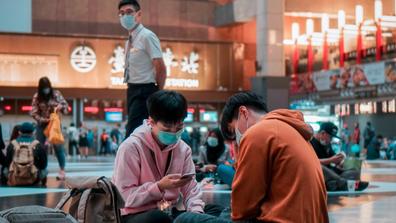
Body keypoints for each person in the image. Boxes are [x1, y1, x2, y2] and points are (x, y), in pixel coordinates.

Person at [112, 90, 223, 223]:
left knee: (217, 210)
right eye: (167, 127)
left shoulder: (183, 149)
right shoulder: (131, 147)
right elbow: (124, 197)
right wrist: (158, 187)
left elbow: (191, 190)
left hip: (169, 210)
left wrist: (196, 214)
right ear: (151, 122)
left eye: (179, 127)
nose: (173, 133)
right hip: (135, 214)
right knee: (158, 218)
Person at [217, 92, 329, 222]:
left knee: (190, 218)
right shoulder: (290, 129)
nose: (235, 140)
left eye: (233, 130)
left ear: (243, 113)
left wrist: (238, 155)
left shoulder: (257, 133)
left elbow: (241, 208)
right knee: (214, 210)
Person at [118, 0, 167, 139]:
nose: (125, 16)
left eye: (128, 12)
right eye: (121, 13)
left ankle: (129, 161)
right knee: (140, 134)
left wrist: (158, 91)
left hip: (145, 90)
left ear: (138, 15)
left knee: (133, 135)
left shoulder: (147, 36)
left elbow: (160, 66)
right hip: (132, 89)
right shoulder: (130, 40)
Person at [310, 122, 369, 191]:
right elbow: (312, 162)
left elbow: (333, 157)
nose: (331, 140)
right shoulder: (311, 143)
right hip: (319, 174)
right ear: (323, 133)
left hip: (331, 173)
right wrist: (331, 160)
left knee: (353, 170)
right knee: (319, 167)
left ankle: (335, 184)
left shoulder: (327, 144)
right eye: (330, 137)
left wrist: (340, 161)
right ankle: (342, 183)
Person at [31, 76, 68, 180]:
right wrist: (43, 120)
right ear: (40, 88)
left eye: (47, 87)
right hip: (42, 124)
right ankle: (40, 170)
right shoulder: (37, 96)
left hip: (55, 124)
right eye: (44, 88)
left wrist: (61, 107)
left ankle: (62, 171)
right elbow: (33, 112)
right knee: (40, 148)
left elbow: (66, 107)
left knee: (58, 147)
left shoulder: (56, 94)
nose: (46, 90)